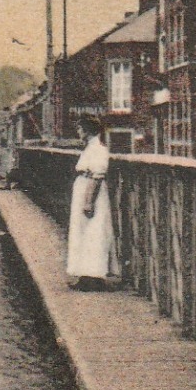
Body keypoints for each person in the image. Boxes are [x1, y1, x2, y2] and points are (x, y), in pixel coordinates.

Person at [67, 116, 119, 291]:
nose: (78, 132)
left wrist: (89, 201)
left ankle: (95, 277)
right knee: (83, 232)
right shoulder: (91, 147)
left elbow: (97, 176)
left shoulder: (98, 148)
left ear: (87, 130)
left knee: (94, 232)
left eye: (80, 129)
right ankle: (85, 275)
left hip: (91, 192)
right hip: (84, 189)